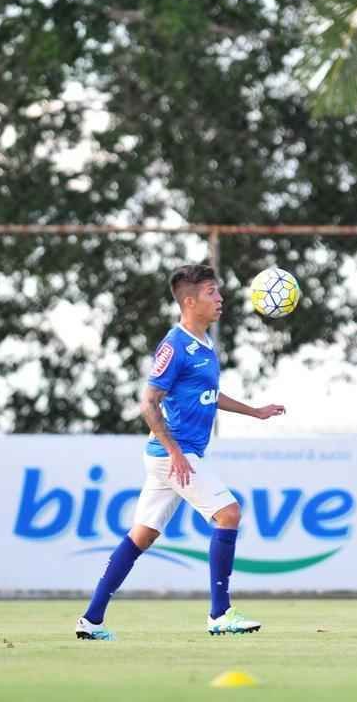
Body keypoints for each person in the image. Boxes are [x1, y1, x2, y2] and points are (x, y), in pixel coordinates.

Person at [75, 263, 286, 641]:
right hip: (175, 454)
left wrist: (254, 411)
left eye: (218, 291)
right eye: (211, 292)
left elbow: (208, 395)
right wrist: (175, 452)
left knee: (142, 536)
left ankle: (91, 620)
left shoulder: (205, 344)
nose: (220, 298)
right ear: (189, 301)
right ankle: (220, 614)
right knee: (228, 513)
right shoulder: (175, 345)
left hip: (176, 456)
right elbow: (149, 402)